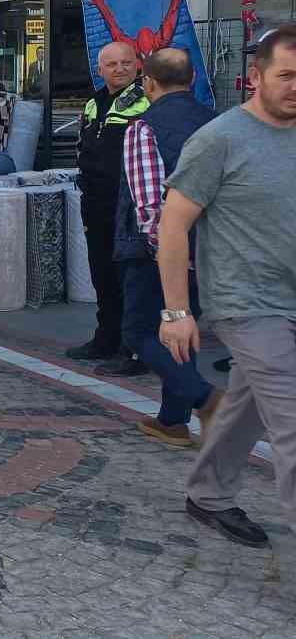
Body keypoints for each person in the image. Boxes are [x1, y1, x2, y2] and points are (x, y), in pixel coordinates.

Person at [162, 27, 296, 549]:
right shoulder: (219, 139)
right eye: (285, 75)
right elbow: (172, 225)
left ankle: (209, 493)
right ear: (257, 76)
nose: (294, 87)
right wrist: (176, 312)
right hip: (248, 305)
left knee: (250, 402)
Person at [112, 49, 220, 446]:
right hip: (206, 246)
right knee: (182, 327)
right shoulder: (218, 123)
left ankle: (206, 398)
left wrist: (162, 250)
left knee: (139, 332)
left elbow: (148, 204)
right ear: (191, 80)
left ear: (148, 84)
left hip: (155, 252)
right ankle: (172, 419)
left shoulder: (144, 128)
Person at [66, 41, 149, 368]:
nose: (119, 69)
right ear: (100, 70)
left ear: (138, 64)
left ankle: (135, 347)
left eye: (126, 62)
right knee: (103, 274)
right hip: (97, 205)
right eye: (111, 64)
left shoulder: (146, 100)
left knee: (132, 278)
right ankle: (106, 338)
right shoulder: (93, 104)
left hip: (131, 207)